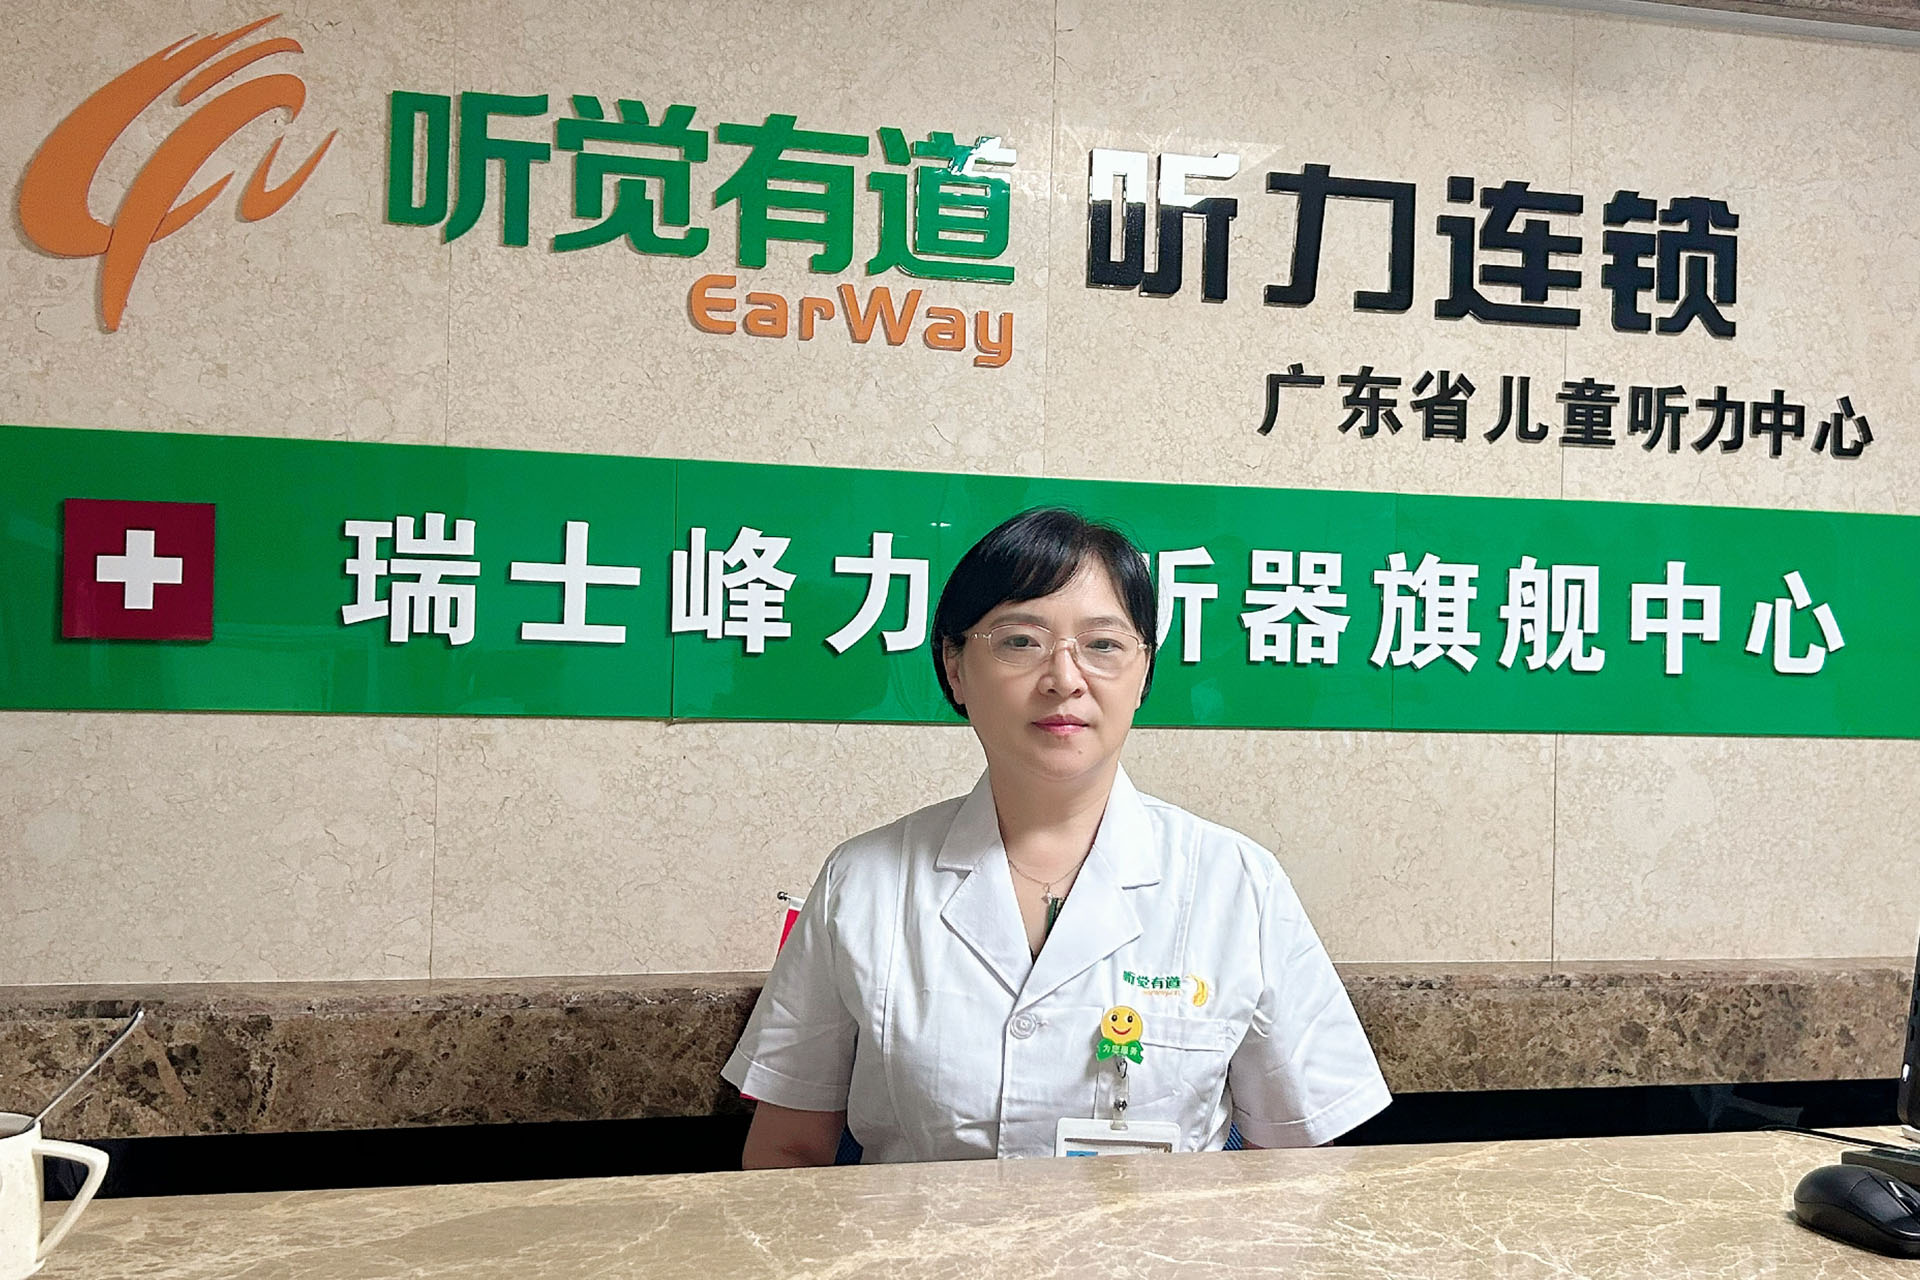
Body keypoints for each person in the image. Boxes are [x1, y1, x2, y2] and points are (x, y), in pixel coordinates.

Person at [722, 507, 1389, 1165]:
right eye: (1020, 642)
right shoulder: (863, 881)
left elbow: (1299, 1166)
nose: (1065, 679)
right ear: (955, 667)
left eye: (1103, 646)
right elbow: (788, 1150)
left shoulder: (1236, 882)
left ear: (1143, 673)